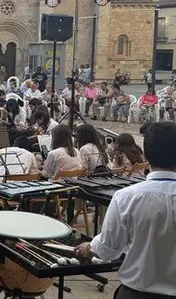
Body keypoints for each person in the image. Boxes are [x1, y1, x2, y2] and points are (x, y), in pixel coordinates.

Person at [74, 122, 176, 298]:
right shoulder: (126, 197)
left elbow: (109, 249)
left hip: (137, 293)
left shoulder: (126, 197)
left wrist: (90, 247)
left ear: (146, 155)